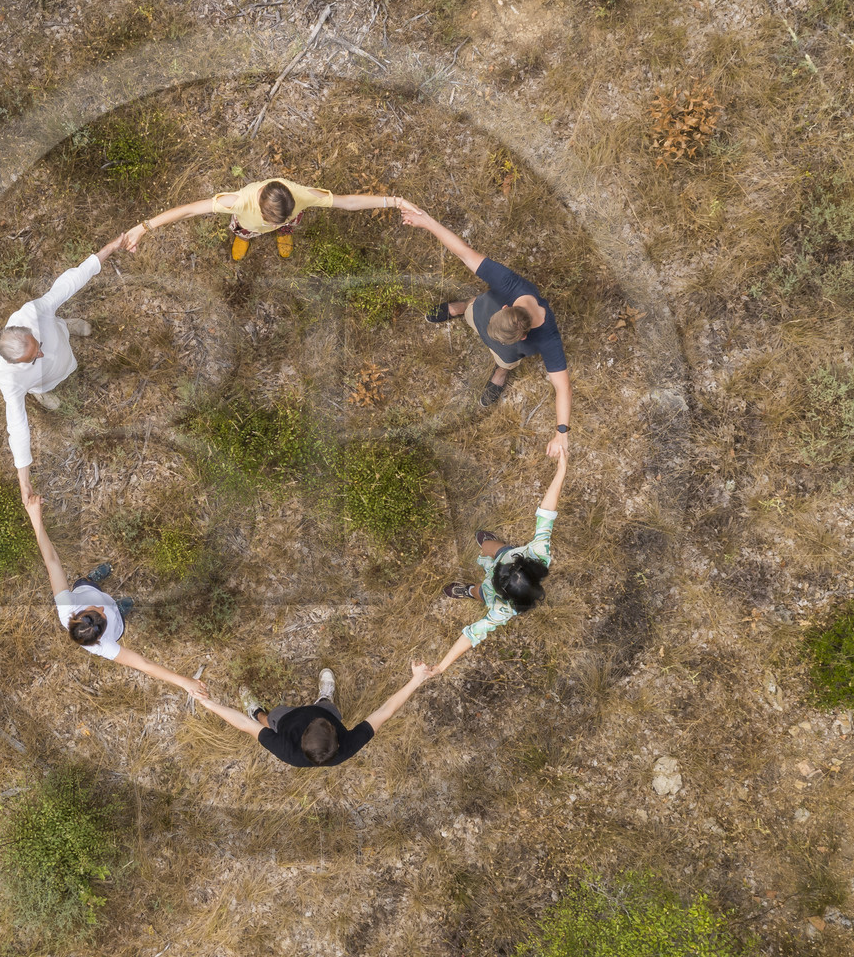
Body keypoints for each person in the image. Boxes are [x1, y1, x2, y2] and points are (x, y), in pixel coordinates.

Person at [398, 202, 573, 423]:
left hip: (506, 354)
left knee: (505, 361)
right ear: (505, 308)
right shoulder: (510, 284)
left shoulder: (549, 339)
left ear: (523, 337)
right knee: (474, 305)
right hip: (479, 311)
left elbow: (563, 388)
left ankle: (500, 373)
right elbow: (464, 252)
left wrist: (562, 432)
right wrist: (427, 222)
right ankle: (460, 308)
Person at [23, 493, 208, 697]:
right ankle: (120, 610)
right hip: (118, 621)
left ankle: (94, 579)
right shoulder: (105, 646)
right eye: (103, 618)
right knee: (117, 611)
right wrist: (184, 682)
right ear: (101, 636)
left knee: (86, 583)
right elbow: (144, 665)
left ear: (76, 615)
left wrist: (35, 516)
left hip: (87, 589)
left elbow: (52, 562)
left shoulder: (66, 606)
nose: (103, 609)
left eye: (95, 611)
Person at [0, 233, 125, 501]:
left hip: (60, 338)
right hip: (45, 380)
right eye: (33, 357)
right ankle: (40, 393)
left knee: (59, 331)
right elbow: (17, 428)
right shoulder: (8, 381)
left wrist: (108, 249)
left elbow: (69, 282)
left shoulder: (32, 314)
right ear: (15, 363)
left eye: (37, 344)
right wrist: (24, 482)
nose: (40, 353)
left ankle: (67, 324)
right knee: (44, 382)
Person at [431, 450, 568, 677]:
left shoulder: (501, 609)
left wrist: (441, 667)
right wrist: (561, 470)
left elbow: (471, 635)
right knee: (494, 547)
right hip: (506, 552)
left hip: (488, 590)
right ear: (528, 567)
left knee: (479, 592)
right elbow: (546, 512)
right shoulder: (539, 553)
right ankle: (490, 546)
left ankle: (467, 590)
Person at [191, 662, 433, 767]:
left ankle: (257, 712)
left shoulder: (286, 749)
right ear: (337, 739)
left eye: (316, 725)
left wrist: (209, 704)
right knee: (327, 709)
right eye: (327, 725)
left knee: (266, 721)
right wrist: (416, 679)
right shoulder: (347, 746)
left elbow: (244, 725)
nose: (311, 718)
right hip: (325, 711)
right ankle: (324, 700)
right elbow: (385, 711)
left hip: (285, 720)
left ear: (302, 738)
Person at [121, 179, 417, 262]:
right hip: (246, 223)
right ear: (260, 197)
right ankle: (243, 237)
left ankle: (284, 232)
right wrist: (143, 227)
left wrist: (395, 202)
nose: (270, 221)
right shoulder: (237, 202)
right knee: (245, 231)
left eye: (276, 220)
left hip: (288, 218)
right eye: (269, 218)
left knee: (288, 225)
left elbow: (347, 202)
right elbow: (188, 210)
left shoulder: (301, 195)